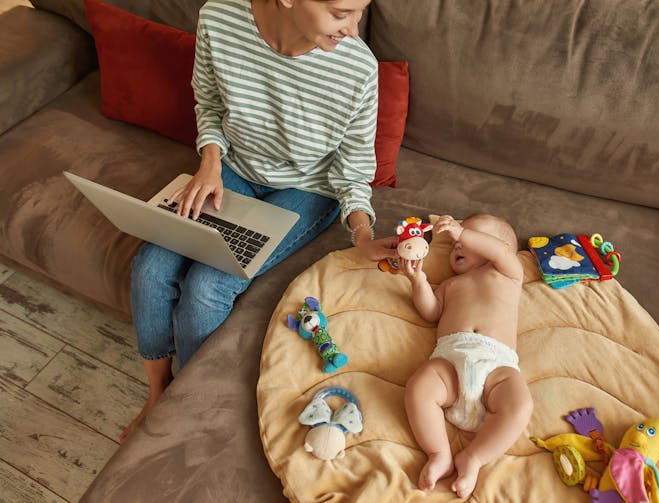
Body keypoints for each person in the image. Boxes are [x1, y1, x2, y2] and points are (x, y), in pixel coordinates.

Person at [120, 0, 397, 443]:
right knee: (150, 268)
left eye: (359, 12)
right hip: (233, 168)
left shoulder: (358, 67)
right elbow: (208, 100)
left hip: (306, 189)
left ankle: (190, 411)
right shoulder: (220, 17)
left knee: (207, 287)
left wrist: (361, 233)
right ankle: (159, 394)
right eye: (342, 12)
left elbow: (352, 168)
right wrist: (210, 160)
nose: (353, 28)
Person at [398, 214, 533, 499]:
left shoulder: (508, 273)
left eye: (468, 238)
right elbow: (431, 312)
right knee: (420, 386)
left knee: (520, 406)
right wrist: (418, 280)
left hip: (497, 364)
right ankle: (439, 453)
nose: (456, 244)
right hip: (450, 358)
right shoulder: (450, 285)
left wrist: (461, 231)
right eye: (456, 241)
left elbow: (499, 252)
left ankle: (473, 458)